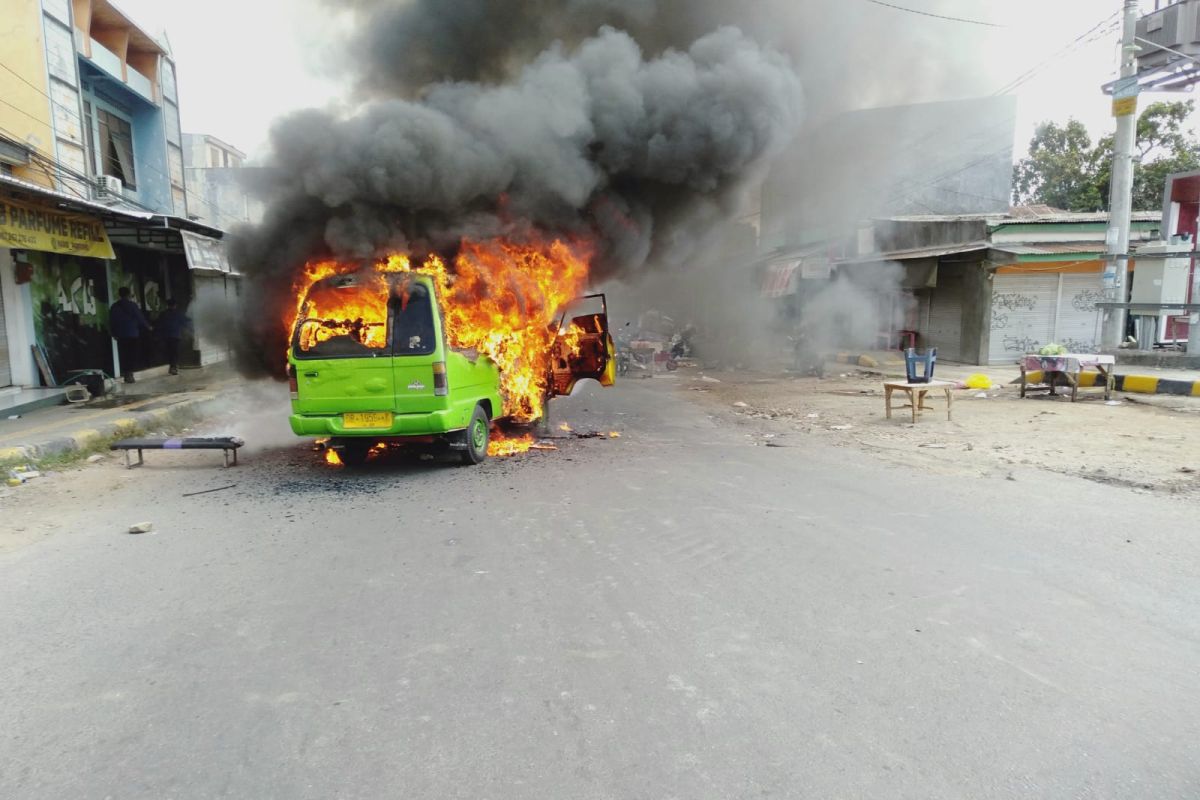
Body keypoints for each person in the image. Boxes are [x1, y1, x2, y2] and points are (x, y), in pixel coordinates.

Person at [109, 286, 151, 383]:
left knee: (124, 355)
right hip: (132, 334)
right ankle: (129, 374)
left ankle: (126, 373)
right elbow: (140, 318)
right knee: (132, 355)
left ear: (119, 295)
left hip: (121, 335)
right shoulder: (132, 305)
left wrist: (113, 333)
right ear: (128, 294)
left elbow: (112, 321)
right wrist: (148, 327)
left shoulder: (114, 307)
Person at [156, 298, 190, 375]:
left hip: (166, 336)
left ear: (168, 305)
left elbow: (159, 324)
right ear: (175, 305)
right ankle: (173, 368)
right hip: (175, 336)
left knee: (170, 352)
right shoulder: (178, 313)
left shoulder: (163, 314)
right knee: (174, 352)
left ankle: (172, 367)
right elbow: (185, 321)